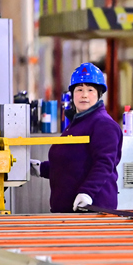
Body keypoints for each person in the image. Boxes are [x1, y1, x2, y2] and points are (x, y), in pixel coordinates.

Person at [30, 63, 123, 212]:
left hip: (91, 210)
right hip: (70, 211)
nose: (84, 95)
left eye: (90, 90)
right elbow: (72, 164)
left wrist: (87, 193)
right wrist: (42, 168)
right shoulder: (77, 123)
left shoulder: (104, 124)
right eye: (79, 89)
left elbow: (104, 163)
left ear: (99, 94)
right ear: (72, 94)